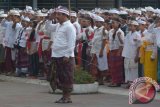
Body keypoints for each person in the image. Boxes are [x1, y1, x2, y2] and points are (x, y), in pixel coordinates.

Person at [47, 6, 76, 103]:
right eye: (56, 14)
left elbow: (71, 42)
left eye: (59, 15)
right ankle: (64, 97)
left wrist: (67, 55)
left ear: (65, 15)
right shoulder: (59, 25)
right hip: (56, 55)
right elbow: (49, 28)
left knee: (67, 77)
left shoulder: (69, 26)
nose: (57, 17)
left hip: (65, 56)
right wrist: (49, 19)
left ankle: (67, 97)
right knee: (59, 76)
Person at [122, 20, 141, 88]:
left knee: (133, 69)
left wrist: (137, 56)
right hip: (127, 53)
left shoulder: (137, 35)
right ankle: (129, 82)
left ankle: (134, 83)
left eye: (131, 25)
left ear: (135, 27)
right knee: (127, 68)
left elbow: (139, 46)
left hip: (133, 54)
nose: (129, 27)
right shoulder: (128, 34)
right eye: (129, 25)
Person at [90, 15, 108, 85]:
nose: (96, 23)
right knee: (94, 65)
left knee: (101, 65)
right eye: (95, 22)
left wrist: (101, 51)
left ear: (101, 23)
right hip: (95, 50)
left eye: (97, 22)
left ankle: (101, 79)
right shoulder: (96, 30)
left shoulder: (104, 30)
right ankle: (96, 78)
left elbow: (104, 41)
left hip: (101, 50)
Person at [108, 18, 124, 87]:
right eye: (112, 23)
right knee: (112, 66)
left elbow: (122, 43)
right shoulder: (111, 31)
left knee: (117, 67)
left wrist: (119, 52)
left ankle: (118, 81)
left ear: (118, 24)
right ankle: (113, 80)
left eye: (114, 23)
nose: (112, 24)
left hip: (118, 50)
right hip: (112, 50)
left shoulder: (120, 32)